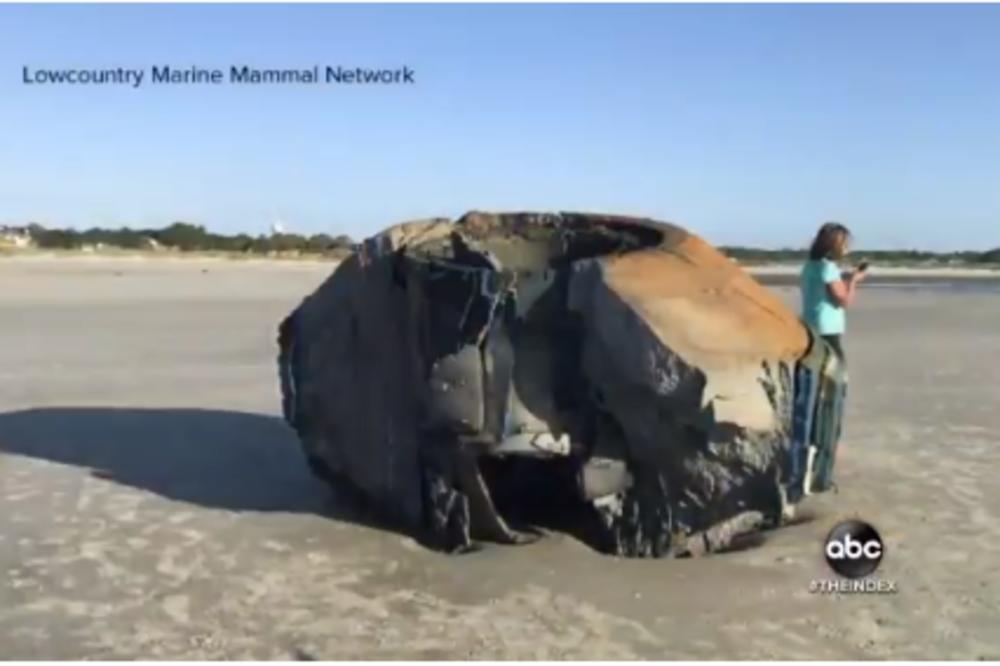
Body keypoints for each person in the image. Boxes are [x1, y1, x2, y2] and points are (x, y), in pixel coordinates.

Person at [800, 222, 867, 358]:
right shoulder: (828, 268)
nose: (847, 249)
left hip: (808, 325)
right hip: (827, 329)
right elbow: (844, 301)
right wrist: (854, 281)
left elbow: (826, 291)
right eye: (844, 244)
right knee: (835, 373)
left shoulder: (809, 265)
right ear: (833, 245)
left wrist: (847, 280)